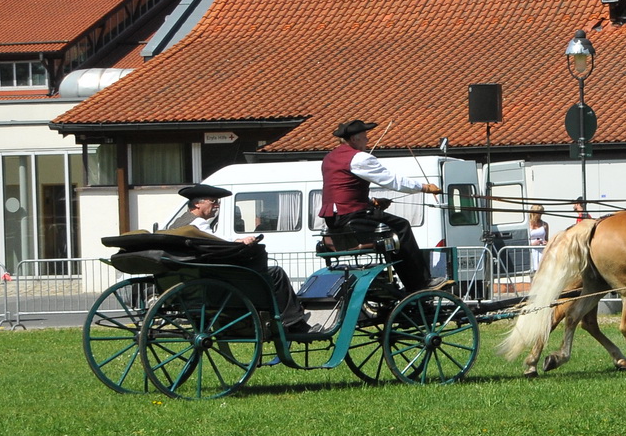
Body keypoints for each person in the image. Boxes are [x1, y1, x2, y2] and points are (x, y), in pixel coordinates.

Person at [318, 119, 443, 294]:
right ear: (354, 139)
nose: (367, 140)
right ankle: (419, 283)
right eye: (365, 136)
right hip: (352, 217)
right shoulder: (359, 158)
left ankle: (403, 282)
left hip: (335, 220)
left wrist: (371, 202)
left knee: (390, 231)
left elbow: (342, 190)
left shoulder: (329, 158)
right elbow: (391, 181)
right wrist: (423, 187)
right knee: (401, 227)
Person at [168, 184, 312, 334]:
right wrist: (240, 242)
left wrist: (237, 240)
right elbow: (215, 243)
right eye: (213, 201)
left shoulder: (177, 224)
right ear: (198, 203)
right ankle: (294, 322)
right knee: (276, 273)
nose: (217, 205)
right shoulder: (197, 223)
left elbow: (211, 241)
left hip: (189, 280)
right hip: (216, 281)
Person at [527, 205, 549, 270]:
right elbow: (524, 240)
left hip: (542, 251)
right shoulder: (527, 224)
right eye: (539, 213)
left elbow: (547, 239)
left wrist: (546, 243)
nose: (541, 215)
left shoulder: (544, 224)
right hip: (531, 251)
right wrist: (533, 244)